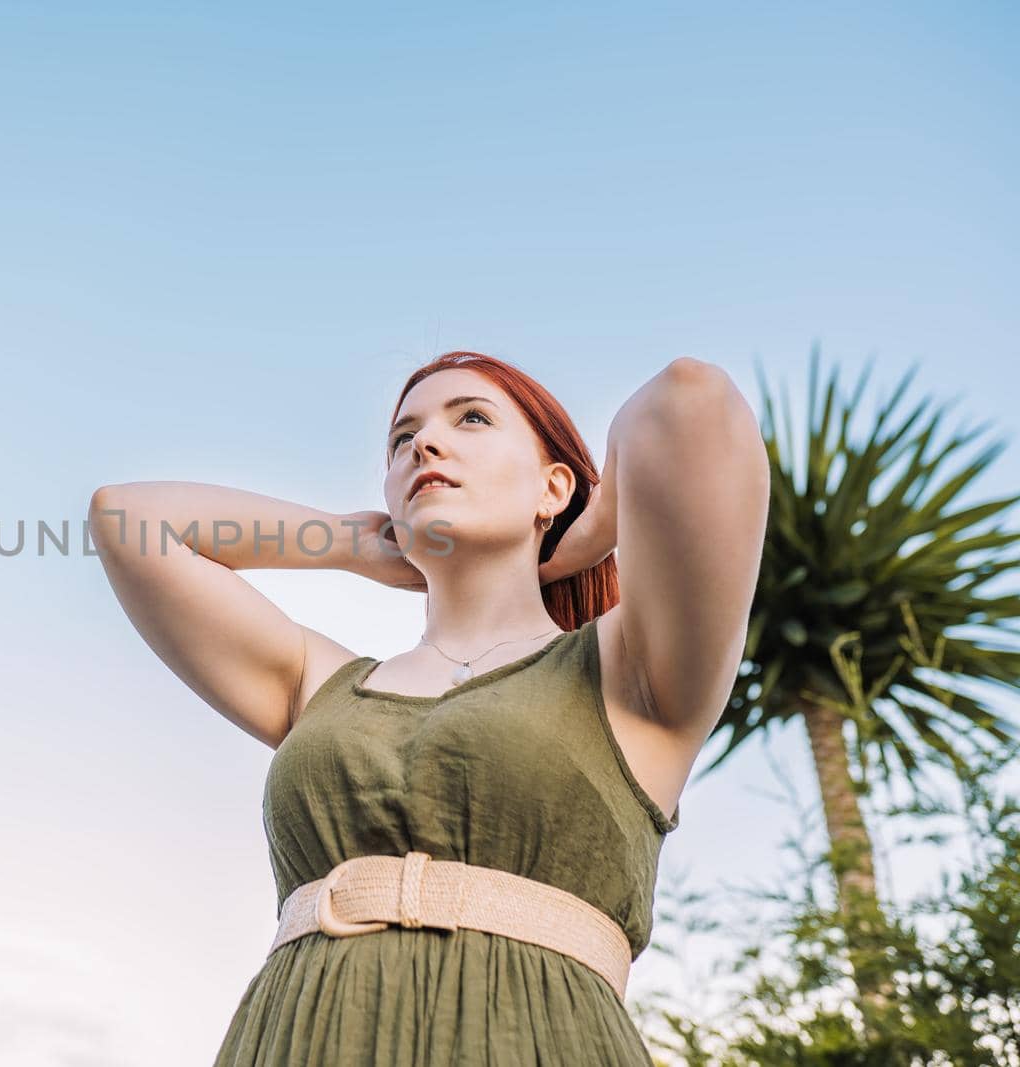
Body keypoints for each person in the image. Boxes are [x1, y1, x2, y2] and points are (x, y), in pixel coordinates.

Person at [88, 350, 769, 1065]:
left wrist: (589, 532)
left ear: (553, 486)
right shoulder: (316, 682)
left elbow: (691, 401)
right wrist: (355, 542)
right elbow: (126, 518)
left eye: (471, 417)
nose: (424, 444)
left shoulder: (631, 673)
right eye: (400, 439)